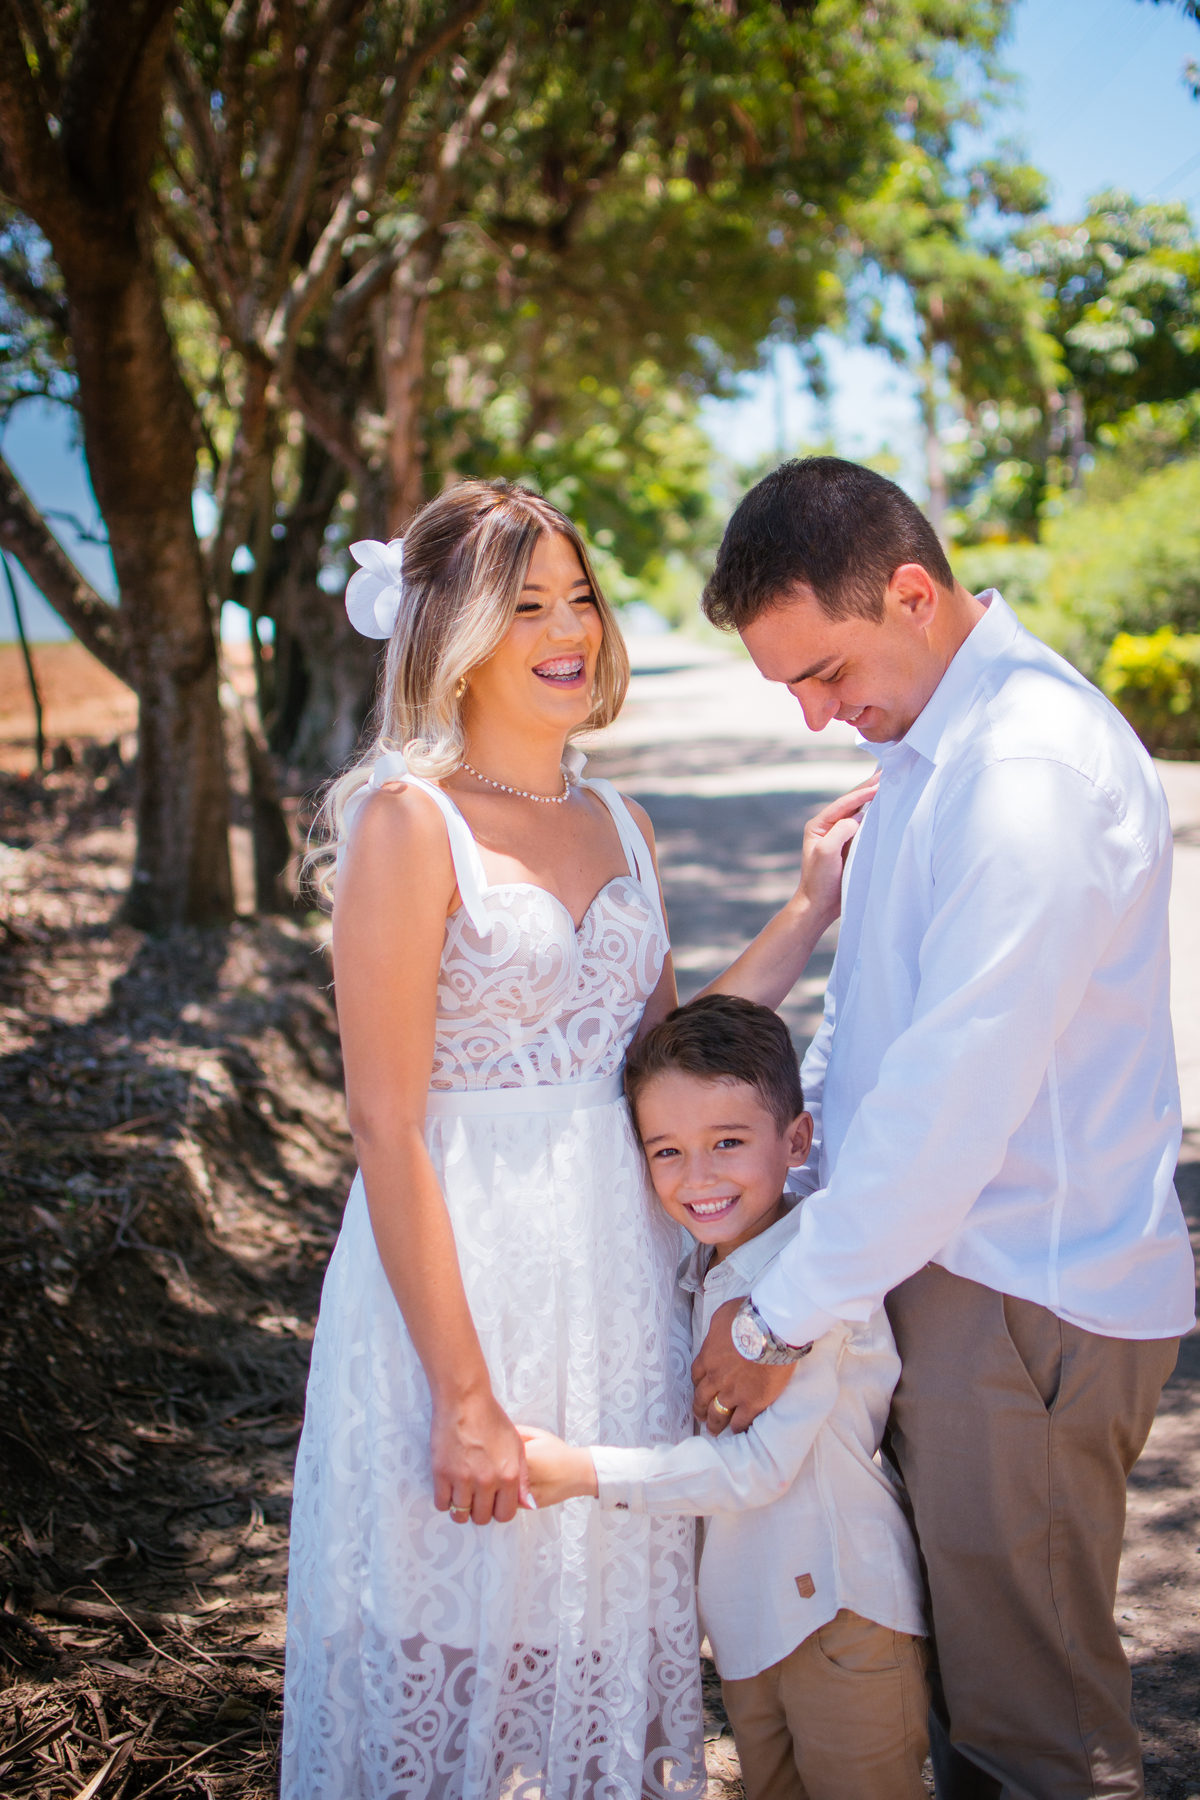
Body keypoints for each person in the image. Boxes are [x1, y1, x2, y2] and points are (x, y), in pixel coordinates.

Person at [281, 478, 867, 1800]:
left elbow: (658, 1075)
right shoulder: (404, 820)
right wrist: (468, 1397)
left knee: (577, 1643)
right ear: (453, 632)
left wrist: (805, 911)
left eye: (581, 598)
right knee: (443, 1644)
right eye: (524, 603)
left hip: (613, 1295)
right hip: (458, 1294)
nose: (569, 629)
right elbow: (383, 1126)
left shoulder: (621, 824)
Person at [688, 456, 1195, 1800]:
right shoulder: (925, 742)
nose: (812, 717)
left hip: (1022, 1289)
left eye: (822, 671)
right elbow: (886, 1021)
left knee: (1033, 1726)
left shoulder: (1022, 767)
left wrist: (780, 1313)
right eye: (786, 687)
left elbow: (957, 1088)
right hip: (952, 1273)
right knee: (968, 1688)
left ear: (914, 592)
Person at [521, 993, 930, 1800]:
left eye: (729, 1143)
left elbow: (756, 1471)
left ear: (797, 1140)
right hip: (748, 1629)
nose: (697, 1177)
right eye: (666, 1151)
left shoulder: (811, 1284)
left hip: (842, 1613)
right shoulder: (692, 1266)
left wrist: (584, 1473)